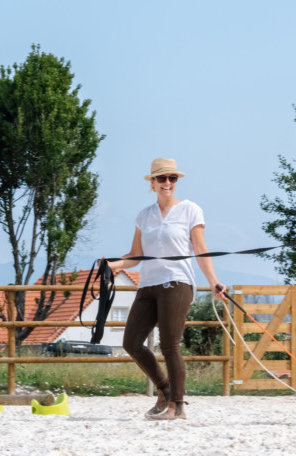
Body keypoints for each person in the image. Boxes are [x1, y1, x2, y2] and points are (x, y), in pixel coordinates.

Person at [107, 158, 229, 420]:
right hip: (148, 284)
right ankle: (164, 390)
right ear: (152, 183)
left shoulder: (190, 210)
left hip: (177, 282)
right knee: (131, 342)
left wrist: (213, 281)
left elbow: (200, 249)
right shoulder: (144, 215)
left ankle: (178, 406)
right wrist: (114, 265)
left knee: (170, 345)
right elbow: (137, 255)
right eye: (161, 178)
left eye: (172, 178)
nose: (167, 183)